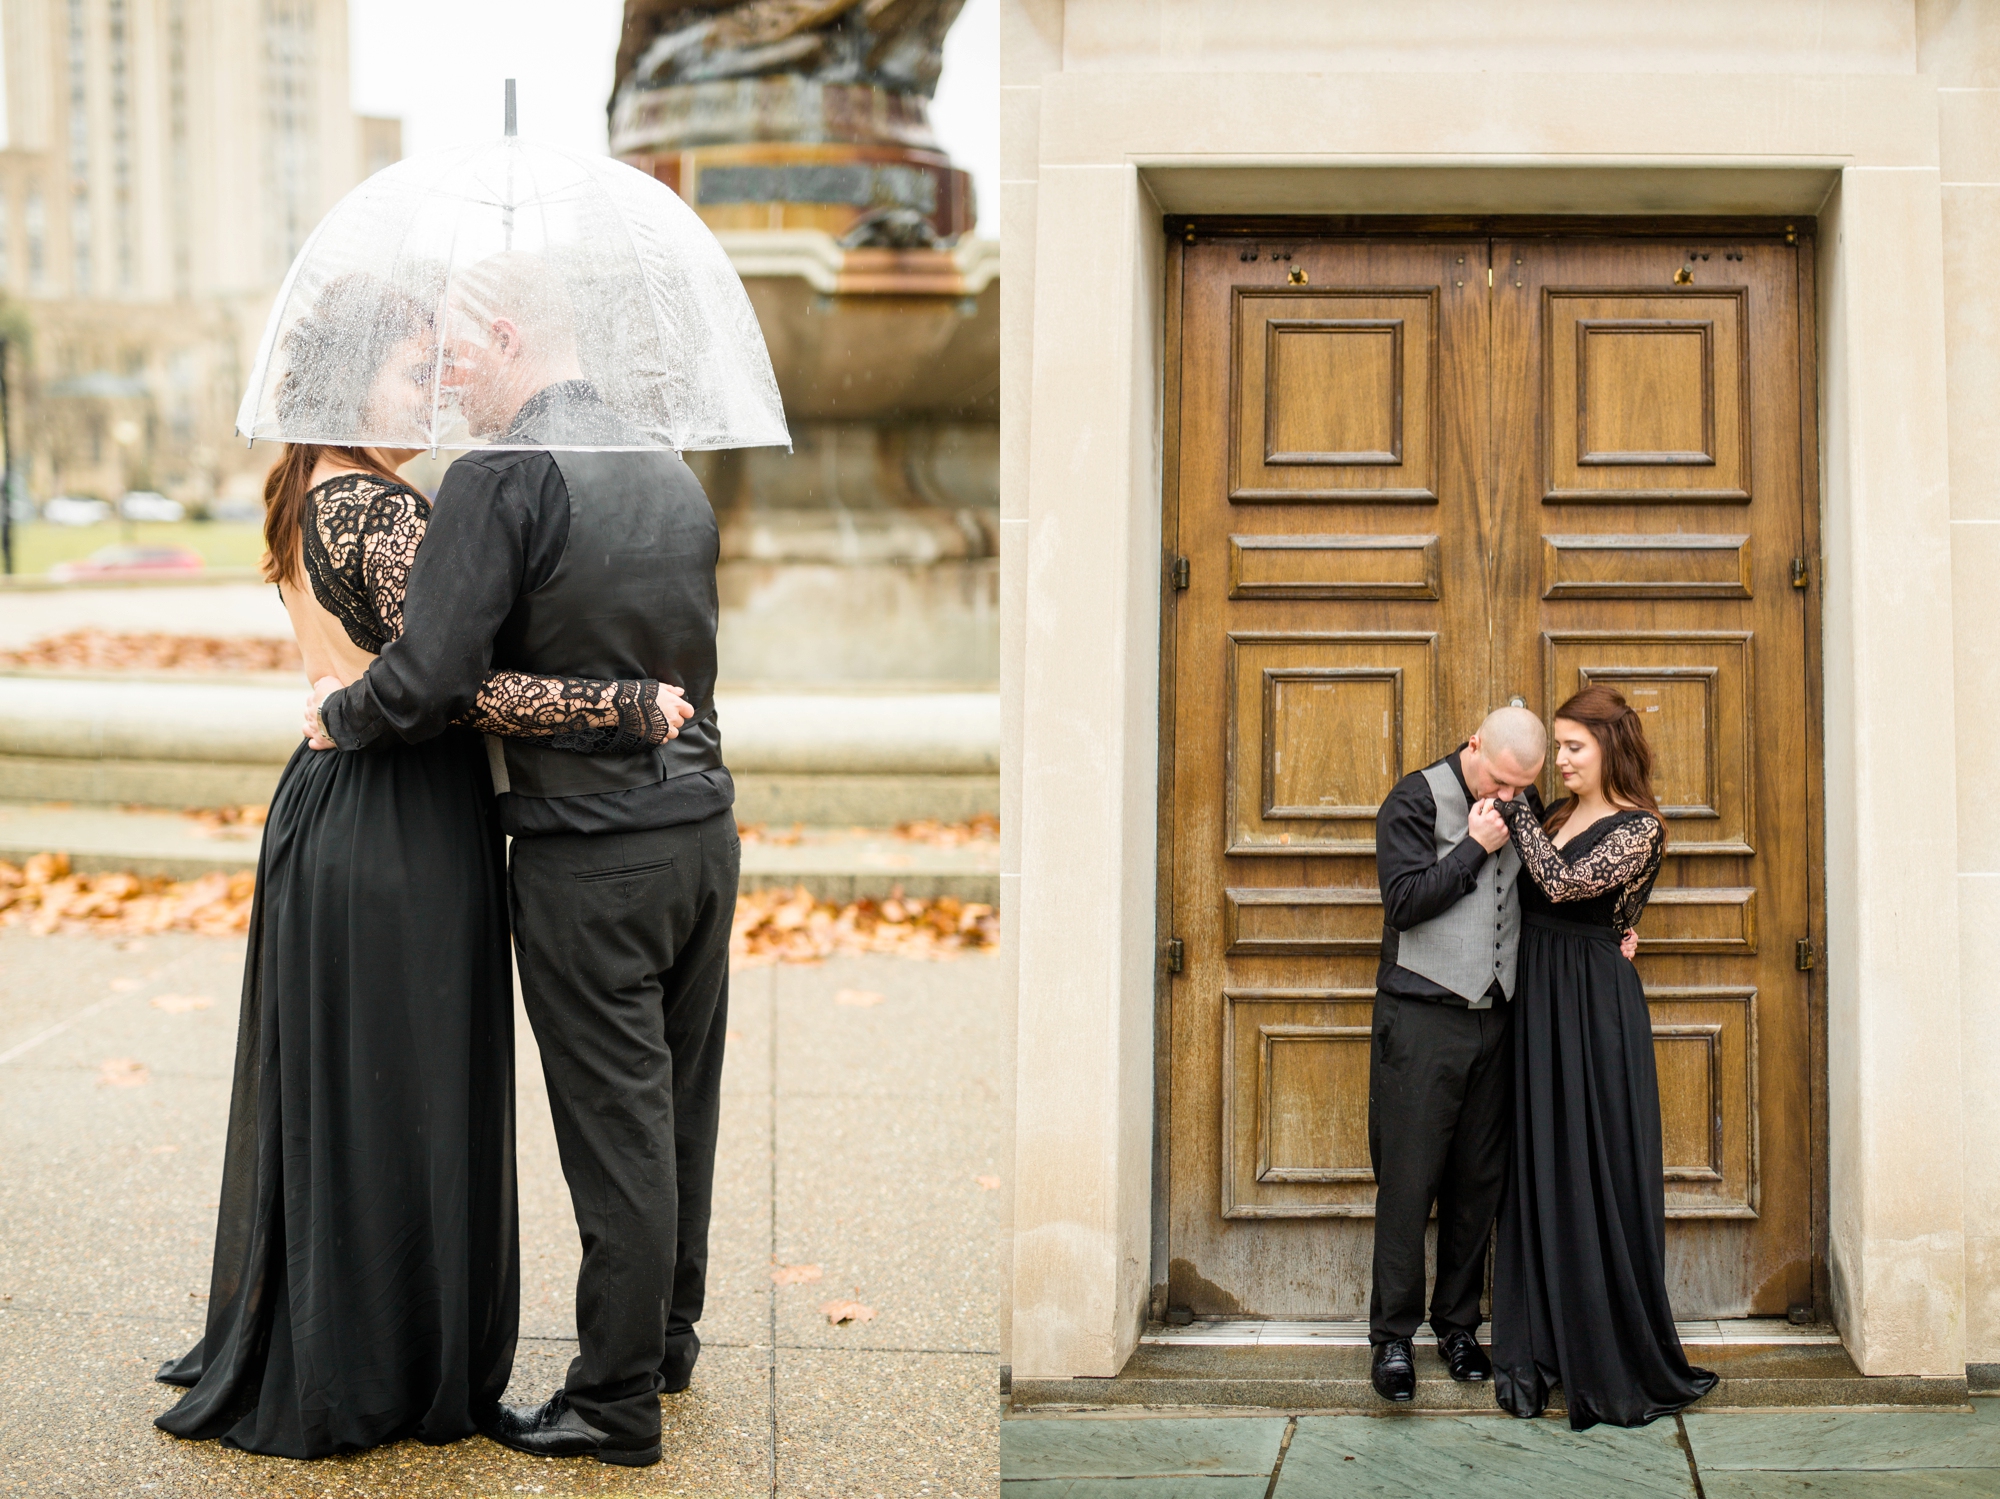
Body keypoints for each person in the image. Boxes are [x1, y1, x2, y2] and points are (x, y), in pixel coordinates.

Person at [155, 274, 691, 1458]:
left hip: (333, 806)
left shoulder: (312, 487)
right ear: (351, 381)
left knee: (350, 1085)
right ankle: (386, 1362)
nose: (437, 391)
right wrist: (620, 704)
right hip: (398, 817)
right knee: (404, 1092)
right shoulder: (385, 510)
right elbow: (448, 691)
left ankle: (345, 1331)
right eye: (413, 371)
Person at [310, 250, 740, 1469]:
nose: (449, 382)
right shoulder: (663, 459)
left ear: (503, 335)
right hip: (701, 830)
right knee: (680, 1107)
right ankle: (665, 1339)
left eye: (454, 352)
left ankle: (612, 1401)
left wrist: (343, 711)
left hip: (585, 851)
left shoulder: (501, 471)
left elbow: (433, 674)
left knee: (617, 1131)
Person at [1486, 685, 1718, 1428]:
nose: (1560, 761)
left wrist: (1511, 794)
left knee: (1595, 1168)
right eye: (1555, 747)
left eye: (1573, 747)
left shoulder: (1641, 827)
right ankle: (1537, 1345)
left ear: (1611, 747)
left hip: (1593, 1010)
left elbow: (1558, 883)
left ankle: (1606, 1349)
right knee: (1540, 1165)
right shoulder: (1556, 813)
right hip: (1538, 1004)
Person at [1365, 706, 1548, 1403]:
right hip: (1421, 1019)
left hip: (1495, 1020)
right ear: (1474, 744)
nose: (1509, 801)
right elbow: (1403, 901)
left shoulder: (1523, 801)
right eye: (1501, 782)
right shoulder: (1413, 800)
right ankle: (1391, 1340)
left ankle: (1459, 1325)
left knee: (1478, 1182)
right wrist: (1471, 846)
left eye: (1521, 790)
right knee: (1409, 1185)